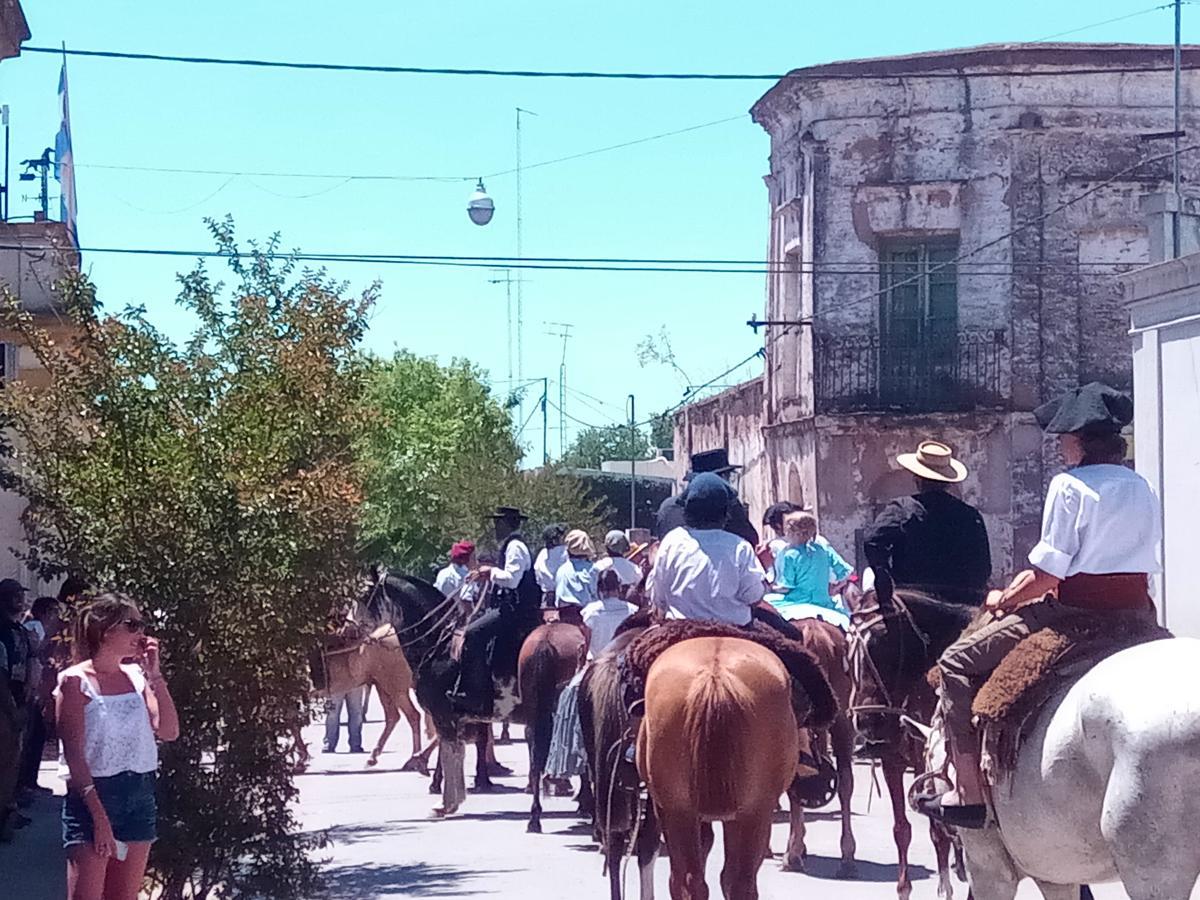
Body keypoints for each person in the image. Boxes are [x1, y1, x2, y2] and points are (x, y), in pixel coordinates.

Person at [918, 383, 1157, 830]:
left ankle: (967, 792)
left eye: (1065, 438)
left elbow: (1047, 576)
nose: (1062, 446)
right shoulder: (1140, 485)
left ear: (1081, 441)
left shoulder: (1070, 486)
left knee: (953, 663)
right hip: (1139, 613)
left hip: (1076, 614)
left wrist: (1004, 598)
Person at [56, 592, 180, 900]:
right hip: (93, 797)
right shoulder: (74, 682)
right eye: (132, 624)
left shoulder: (137, 677)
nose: (141, 633)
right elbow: (74, 756)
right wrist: (100, 818)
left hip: (138, 794)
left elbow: (168, 730)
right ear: (106, 629)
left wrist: (155, 676)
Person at [863, 440, 992, 607]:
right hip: (962, 607)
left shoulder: (902, 509)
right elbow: (983, 569)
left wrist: (884, 578)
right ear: (948, 482)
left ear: (917, 479)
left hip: (912, 605)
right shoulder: (970, 516)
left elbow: (872, 540)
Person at [452, 507, 541, 716]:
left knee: (473, 633)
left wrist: (489, 571)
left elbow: (512, 580)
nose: (495, 528)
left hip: (514, 611)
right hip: (511, 607)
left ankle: (473, 693)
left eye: (498, 523)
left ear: (507, 524)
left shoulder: (515, 547)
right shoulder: (510, 546)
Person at [648, 473, 767, 626]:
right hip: (734, 629)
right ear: (725, 513)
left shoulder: (671, 541)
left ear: (687, 511)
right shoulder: (740, 546)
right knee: (788, 643)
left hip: (681, 628)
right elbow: (753, 597)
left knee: (637, 649)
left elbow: (659, 592)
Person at [655, 449, 760, 546]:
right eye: (727, 476)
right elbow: (750, 539)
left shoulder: (667, 506)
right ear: (721, 477)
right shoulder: (726, 503)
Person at [766, 511, 853, 628]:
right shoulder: (824, 549)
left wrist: (771, 587)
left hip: (798, 600)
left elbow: (787, 586)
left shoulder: (790, 554)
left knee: (765, 603)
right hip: (823, 601)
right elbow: (847, 573)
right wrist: (833, 589)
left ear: (792, 532)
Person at [18, 596, 63, 801]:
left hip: (36, 689)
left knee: (37, 735)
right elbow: (35, 656)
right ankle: (25, 783)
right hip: (31, 690)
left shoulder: (37, 627)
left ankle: (29, 781)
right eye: (55, 612)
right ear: (46, 612)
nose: (58, 617)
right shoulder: (35, 627)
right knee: (32, 736)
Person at [581, 569, 638, 659]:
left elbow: (586, 640)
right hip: (622, 660)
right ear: (619, 587)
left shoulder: (590, 611)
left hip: (596, 660)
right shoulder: (633, 610)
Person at [553, 530, 598, 627]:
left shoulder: (562, 569)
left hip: (564, 615)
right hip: (587, 615)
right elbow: (596, 594)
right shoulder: (593, 569)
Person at [592, 530, 644, 598]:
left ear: (607, 547)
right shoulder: (635, 569)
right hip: (628, 607)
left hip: (604, 607)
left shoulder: (599, 566)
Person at [533, 524, 568, 606]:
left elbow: (537, 577)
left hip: (546, 596)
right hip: (565, 596)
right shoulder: (565, 552)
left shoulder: (542, 554)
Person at [323, 687, 364, 754]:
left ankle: (356, 743)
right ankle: (329, 743)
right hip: (336, 683)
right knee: (332, 714)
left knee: (356, 713)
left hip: (356, 683)